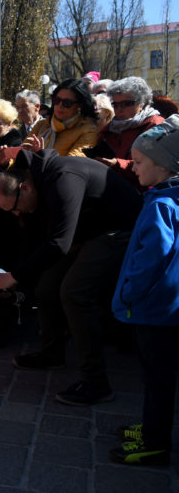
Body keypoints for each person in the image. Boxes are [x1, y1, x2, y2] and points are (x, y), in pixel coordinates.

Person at [0, 147, 143, 405]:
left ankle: (96, 384)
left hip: (120, 229)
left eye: (14, 207)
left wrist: (14, 276)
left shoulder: (62, 178)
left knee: (75, 292)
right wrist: (19, 274)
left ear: (24, 187)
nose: (17, 214)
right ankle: (52, 354)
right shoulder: (37, 184)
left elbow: (58, 243)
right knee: (47, 286)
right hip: (89, 232)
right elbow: (45, 241)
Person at [108, 115, 179, 465]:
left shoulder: (161, 206)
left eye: (138, 163)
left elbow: (150, 260)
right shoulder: (171, 199)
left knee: (156, 378)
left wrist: (127, 294)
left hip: (153, 310)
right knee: (158, 377)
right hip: (168, 309)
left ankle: (155, 440)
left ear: (163, 166)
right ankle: (154, 426)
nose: (133, 169)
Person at [90, 77, 164, 189]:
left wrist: (117, 164)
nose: (119, 109)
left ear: (142, 102)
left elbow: (153, 167)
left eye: (127, 103)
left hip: (143, 192)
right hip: (111, 186)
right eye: (115, 105)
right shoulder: (109, 128)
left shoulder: (155, 126)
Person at [23, 78, 98, 157]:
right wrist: (9, 160)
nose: (60, 105)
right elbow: (20, 153)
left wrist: (40, 155)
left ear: (79, 105)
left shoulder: (88, 130)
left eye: (67, 103)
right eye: (57, 100)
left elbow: (72, 164)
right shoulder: (42, 125)